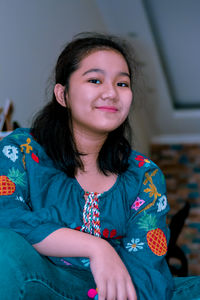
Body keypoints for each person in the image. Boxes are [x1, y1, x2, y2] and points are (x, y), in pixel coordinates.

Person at [0, 32, 196, 300]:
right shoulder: (21, 149)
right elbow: (7, 215)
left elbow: (147, 271)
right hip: (47, 284)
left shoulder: (143, 174)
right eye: (95, 80)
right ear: (63, 94)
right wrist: (97, 248)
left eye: (122, 83)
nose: (111, 93)